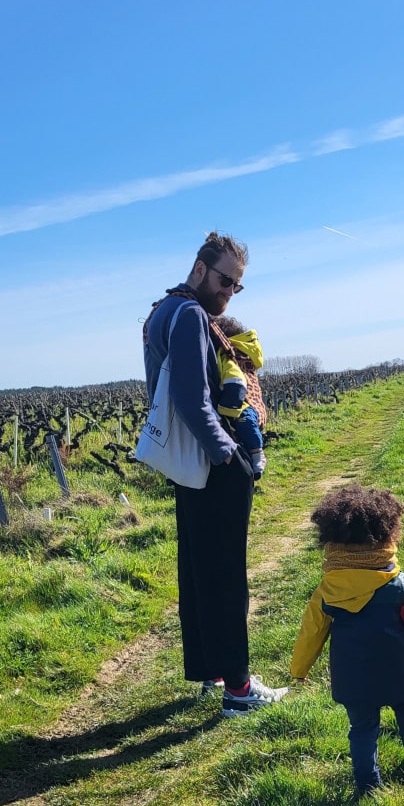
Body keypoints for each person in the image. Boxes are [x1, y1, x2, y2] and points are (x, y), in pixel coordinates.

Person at [142, 232, 288, 717]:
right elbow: (191, 400)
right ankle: (239, 690)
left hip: (188, 465)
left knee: (199, 571)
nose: (229, 292)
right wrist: (228, 455)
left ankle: (215, 670)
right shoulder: (188, 315)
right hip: (212, 461)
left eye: (238, 287)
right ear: (200, 269)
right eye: (226, 280)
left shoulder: (162, 310)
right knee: (226, 575)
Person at [290, 484, 404, 791]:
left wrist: (299, 669)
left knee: (362, 727)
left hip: (352, 675)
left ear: (332, 543)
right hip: (396, 668)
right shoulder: (402, 586)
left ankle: (367, 783)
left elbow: (311, 631)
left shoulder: (328, 589)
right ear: (388, 538)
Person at [214, 315, 267, 479]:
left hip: (241, 405)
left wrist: (225, 409)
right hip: (254, 403)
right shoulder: (246, 355)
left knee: (245, 423)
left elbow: (235, 382)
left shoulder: (229, 357)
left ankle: (258, 455)